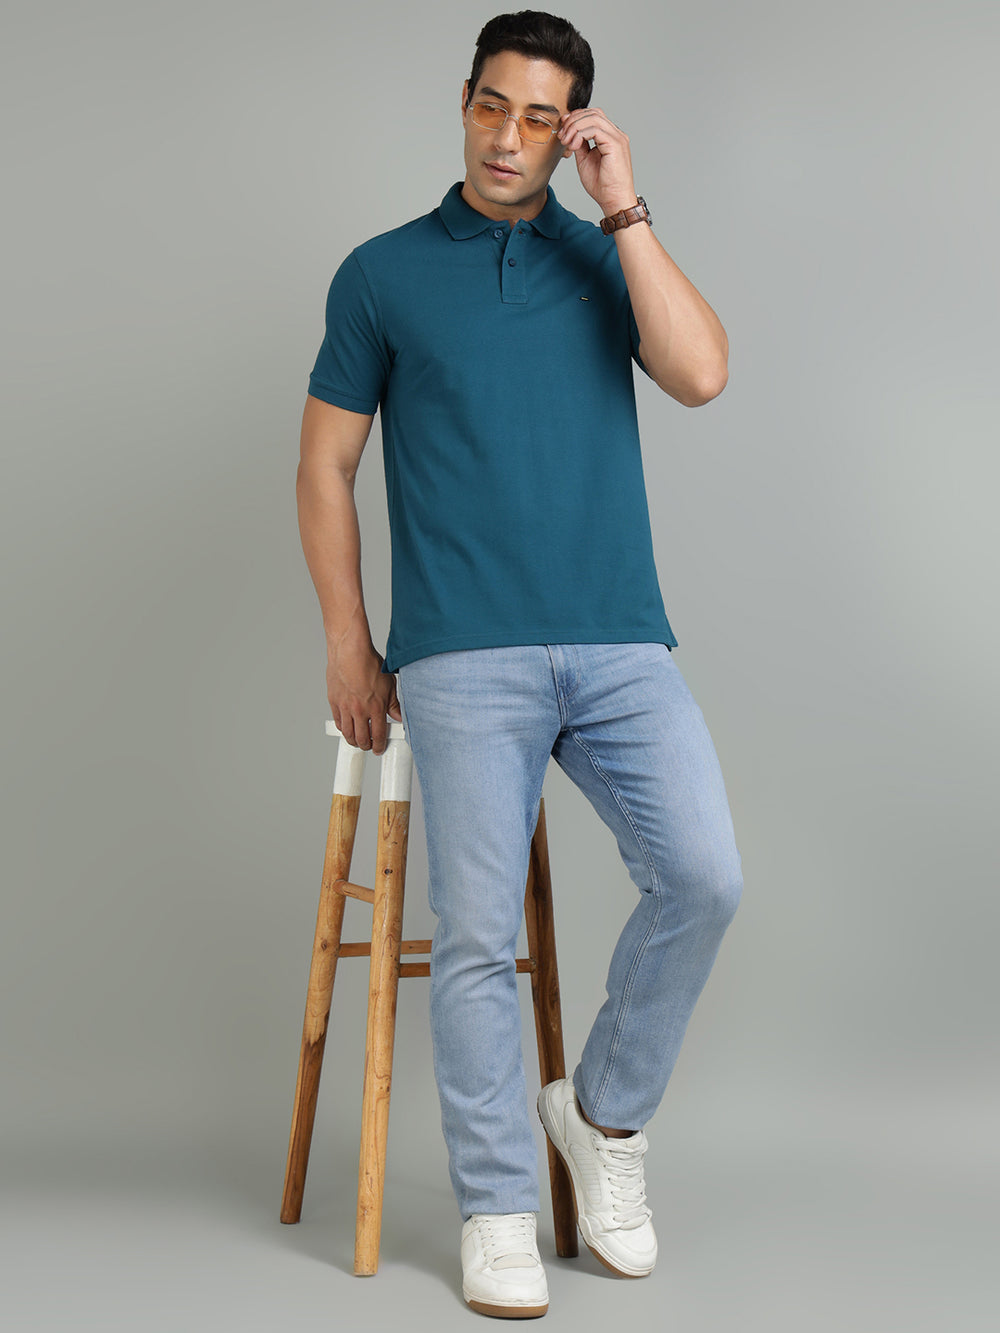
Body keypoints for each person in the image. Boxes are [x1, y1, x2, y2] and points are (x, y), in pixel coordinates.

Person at [296, 10, 742, 1319]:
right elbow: (324, 466)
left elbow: (702, 375)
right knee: (477, 938)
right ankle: (496, 1206)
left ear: (573, 130)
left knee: (704, 875)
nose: (508, 137)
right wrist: (349, 642)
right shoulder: (381, 274)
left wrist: (625, 207)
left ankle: (599, 1117)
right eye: (493, 106)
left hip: (618, 637)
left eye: (541, 117)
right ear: (465, 102)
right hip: (462, 651)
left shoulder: (605, 255)